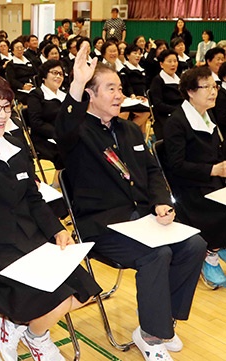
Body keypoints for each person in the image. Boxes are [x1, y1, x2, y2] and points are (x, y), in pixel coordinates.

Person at [56, 42, 206, 361]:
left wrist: (162, 202)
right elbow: (62, 130)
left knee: (194, 244)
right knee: (157, 255)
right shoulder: (79, 132)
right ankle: (151, 335)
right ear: (91, 95)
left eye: (119, 88)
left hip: (142, 219)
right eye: (110, 88)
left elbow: (153, 171)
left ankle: (164, 323)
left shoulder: (130, 130)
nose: (118, 94)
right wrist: (77, 83)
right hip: (102, 225)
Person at [0, 73, 101, 360]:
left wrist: (57, 231)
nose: (2, 114)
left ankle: (31, 333)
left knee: (85, 290)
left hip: (30, 240)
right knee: (55, 297)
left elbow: (32, 197)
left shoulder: (16, 149)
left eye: (6, 107)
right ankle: (36, 337)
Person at [163, 66, 226, 288]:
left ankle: (220, 242)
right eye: (206, 87)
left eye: (215, 86)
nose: (213, 92)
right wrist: (213, 170)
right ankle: (210, 254)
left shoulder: (208, 115)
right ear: (190, 91)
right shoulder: (177, 122)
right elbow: (177, 166)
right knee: (222, 210)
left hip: (213, 182)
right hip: (190, 188)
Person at [26, 60, 66, 187]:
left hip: (65, 135)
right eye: (54, 73)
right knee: (65, 151)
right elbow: (36, 123)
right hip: (43, 138)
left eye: (61, 73)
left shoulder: (65, 95)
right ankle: (58, 184)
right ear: (44, 76)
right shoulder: (36, 95)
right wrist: (58, 134)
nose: (58, 76)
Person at [149, 49, 182, 139]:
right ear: (161, 64)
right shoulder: (157, 80)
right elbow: (158, 104)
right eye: (169, 61)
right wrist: (177, 111)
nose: (173, 64)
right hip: (165, 115)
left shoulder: (180, 78)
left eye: (175, 61)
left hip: (181, 112)